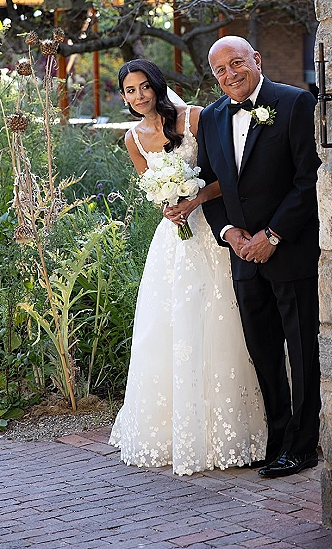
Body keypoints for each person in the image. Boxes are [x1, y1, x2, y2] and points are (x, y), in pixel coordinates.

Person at [108, 58, 266, 476]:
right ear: (123, 96)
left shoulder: (194, 118)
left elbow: (224, 176)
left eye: (144, 87)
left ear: (157, 86)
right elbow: (149, 188)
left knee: (219, 323)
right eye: (129, 91)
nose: (138, 96)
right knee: (168, 329)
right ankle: (177, 431)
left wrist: (193, 199)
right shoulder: (132, 138)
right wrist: (167, 205)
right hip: (172, 243)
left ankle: (237, 429)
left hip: (212, 231)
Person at [197, 36, 321, 477]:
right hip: (243, 258)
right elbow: (208, 186)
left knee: (303, 351)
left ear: (256, 60)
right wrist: (229, 232)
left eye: (237, 63)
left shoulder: (294, 103)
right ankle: (277, 439)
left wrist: (273, 234)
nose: (230, 75)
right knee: (263, 351)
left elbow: (309, 181)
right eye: (220, 70)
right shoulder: (210, 118)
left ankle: (304, 446)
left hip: (290, 251)